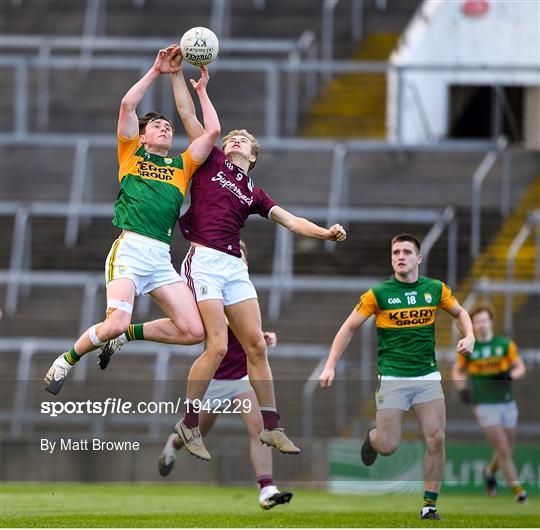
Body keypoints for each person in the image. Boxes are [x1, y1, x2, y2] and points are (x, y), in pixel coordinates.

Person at [101, 59, 347, 461]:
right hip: (204, 261)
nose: (235, 140)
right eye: (232, 137)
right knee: (215, 346)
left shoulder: (254, 191)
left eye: (243, 140)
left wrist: (323, 232)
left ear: (253, 155)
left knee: (256, 346)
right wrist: (181, 76)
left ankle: (272, 426)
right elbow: (186, 114)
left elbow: (289, 220)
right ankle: (189, 423)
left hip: (234, 265)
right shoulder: (210, 159)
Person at [43, 45, 220, 394]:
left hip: (159, 257)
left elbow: (212, 133)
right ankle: (66, 360)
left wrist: (200, 90)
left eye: (169, 126)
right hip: (129, 250)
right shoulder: (131, 153)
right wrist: (157, 70)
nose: (165, 128)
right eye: (157, 125)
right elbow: (127, 105)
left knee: (193, 331)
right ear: (142, 137)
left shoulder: (182, 165)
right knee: (113, 322)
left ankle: (128, 334)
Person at [319, 233, 475, 520]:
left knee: (437, 438)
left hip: (427, 376)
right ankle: (372, 436)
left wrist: (471, 336)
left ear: (418, 258)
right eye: (395, 252)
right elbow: (348, 327)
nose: (400, 256)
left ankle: (429, 506)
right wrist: (330, 365)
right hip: (392, 377)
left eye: (406, 251)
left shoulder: (435, 289)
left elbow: (461, 313)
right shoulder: (377, 294)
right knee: (389, 446)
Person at [158, 240, 293, 511]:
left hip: (242, 378)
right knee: (199, 430)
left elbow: (249, 334)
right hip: (214, 381)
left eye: (240, 255)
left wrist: (262, 336)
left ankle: (266, 489)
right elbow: (223, 325)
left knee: (260, 428)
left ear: (245, 262)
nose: (236, 259)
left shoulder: (243, 291)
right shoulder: (209, 287)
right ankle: (173, 443)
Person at [452, 303, 527, 502]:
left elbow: (520, 367)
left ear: (491, 322)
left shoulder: (504, 345)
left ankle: (489, 471)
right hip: (484, 403)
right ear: (473, 325)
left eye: (484, 320)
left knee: (508, 448)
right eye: (477, 322)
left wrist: (510, 375)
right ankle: (519, 491)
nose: (481, 325)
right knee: (502, 448)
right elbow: (458, 371)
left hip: (507, 402)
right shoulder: (470, 347)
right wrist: (462, 390)